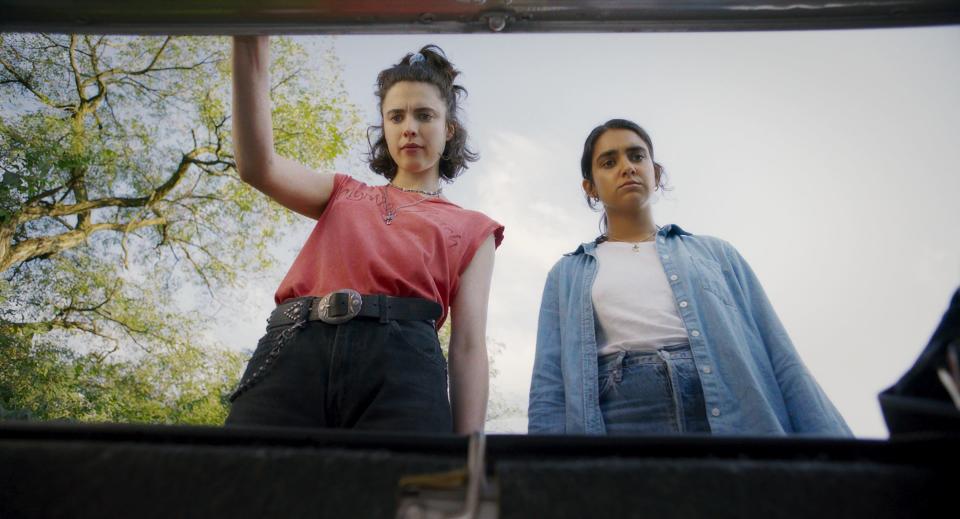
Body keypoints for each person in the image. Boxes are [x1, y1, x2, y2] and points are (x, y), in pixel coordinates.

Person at [226, 37, 503, 434]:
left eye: (425, 115)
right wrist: (249, 37)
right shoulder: (342, 192)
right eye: (396, 116)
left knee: (400, 490)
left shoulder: (475, 229)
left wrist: (467, 450)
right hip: (295, 345)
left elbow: (469, 345)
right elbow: (258, 166)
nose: (409, 128)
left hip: (402, 367)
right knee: (247, 483)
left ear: (449, 129)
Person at [527, 118, 850, 436]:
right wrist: (541, 471)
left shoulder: (717, 254)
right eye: (609, 162)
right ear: (591, 187)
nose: (627, 167)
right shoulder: (567, 274)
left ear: (656, 172)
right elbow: (550, 382)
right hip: (623, 421)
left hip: (731, 414)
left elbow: (777, 352)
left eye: (637, 156)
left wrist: (831, 447)